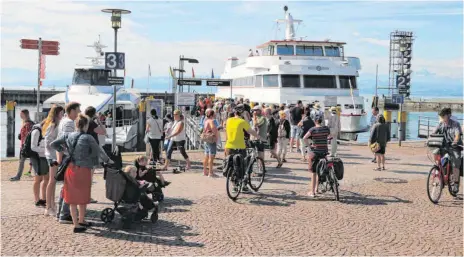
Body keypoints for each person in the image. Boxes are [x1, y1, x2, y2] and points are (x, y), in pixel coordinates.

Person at [51, 114, 111, 233]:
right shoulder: (88, 138)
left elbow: (53, 144)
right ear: (86, 125)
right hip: (84, 170)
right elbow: (99, 151)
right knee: (83, 197)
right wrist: (109, 160)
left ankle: (77, 223)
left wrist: (64, 151)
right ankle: (80, 221)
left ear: (76, 124)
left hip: (71, 169)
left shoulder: (67, 135)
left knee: (72, 198)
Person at [224, 104, 261, 191]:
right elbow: (250, 131)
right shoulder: (242, 122)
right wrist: (259, 137)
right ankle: (244, 186)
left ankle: (234, 186)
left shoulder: (228, 120)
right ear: (242, 113)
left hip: (229, 146)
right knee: (243, 166)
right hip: (240, 147)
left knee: (231, 166)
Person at [56, 102, 80, 224]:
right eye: (77, 110)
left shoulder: (63, 121)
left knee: (65, 185)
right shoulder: (69, 123)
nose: (78, 113)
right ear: (71, 111)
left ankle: (60, 212)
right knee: (69, 186)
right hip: (69, 158)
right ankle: (64, 214)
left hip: (65, 156)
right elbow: (68, 141)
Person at [433, 107, 462, 193]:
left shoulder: (455, 124)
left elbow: (457, 134)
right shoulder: (441, 124)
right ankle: (440, 172)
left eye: (443, 115)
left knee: (455, 163)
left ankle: (456, 184)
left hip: (454, 146)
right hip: (444, 146)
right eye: (441, 115)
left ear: (448, 115)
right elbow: (434, 133)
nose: (442, 117)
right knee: (435, 153)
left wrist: (455, 140)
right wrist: (429, 138)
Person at [43, 105, 65, 216]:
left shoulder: (57, 125)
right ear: (57, 114)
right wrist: (59, 146)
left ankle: (52, 204)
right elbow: (48, 143)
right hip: (52, 157)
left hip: (53, 156)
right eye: (61, 113)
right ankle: (48, 207)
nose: (62, 115)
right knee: (52, 181)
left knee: (53, 181)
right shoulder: (52, 126)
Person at [303, 116, 331, 197]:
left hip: (316, 152)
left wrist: (309, 146)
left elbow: (304, 138)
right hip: (324, 152)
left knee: (314, 172)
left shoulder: (313, 129)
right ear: (321, 121)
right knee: (320, 171)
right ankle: (317, 189)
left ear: (315, 121)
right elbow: (329, 136)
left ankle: (312, 192)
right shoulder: (326, 129)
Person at [84, 106, 106, 204]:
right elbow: (103, 132)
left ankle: (85, 195)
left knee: (86, 174)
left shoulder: (83, 121)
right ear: (94, 114)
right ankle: (87, 196)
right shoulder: (92, 123)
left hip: (85, 149)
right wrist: (98, 120)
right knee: (89, 176)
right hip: (92, 150)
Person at [10, 109, 34, 181]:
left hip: (26, 146)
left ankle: (18, 176)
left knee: (25, 161)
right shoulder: (26, 123)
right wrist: (21, 136)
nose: (20, 115)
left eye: (21, 114)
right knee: (23, 161)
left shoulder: (28, 124)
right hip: (25, 145)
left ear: (24, 114)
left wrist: (24, 141)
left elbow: (28, 135)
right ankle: (18, 176)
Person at [30, 120, 49, 207]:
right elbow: (33, 147)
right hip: (37, 157)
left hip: (45, 157)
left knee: (47, 179)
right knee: (38, 179)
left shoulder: (46, 131)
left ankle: (44, 198)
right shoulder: (36, 131)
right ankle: (37, 200)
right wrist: (45, 150)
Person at [202, 109, 219, 177]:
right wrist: (215, 135)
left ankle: (204, 171)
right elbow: (213, 129)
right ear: (212, 115)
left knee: (206, 156)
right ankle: (210, 172)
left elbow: (204, 129)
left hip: (206, 139)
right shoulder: (211, 121)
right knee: (211, 157)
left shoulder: (206, 121)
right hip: (211, 139)